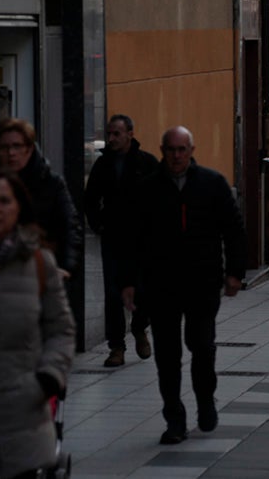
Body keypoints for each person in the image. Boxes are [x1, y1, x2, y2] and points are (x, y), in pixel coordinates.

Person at [121, 126, 246, 445]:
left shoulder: (211, 183)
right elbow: (132, 239)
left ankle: (206, 401)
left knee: (202, 347)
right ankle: (174, 419)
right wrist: (129, 282)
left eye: (182, 150)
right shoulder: (148, 189)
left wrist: (234, 273)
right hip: (160, 284)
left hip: (202, 282)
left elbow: (233, 230)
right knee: (167, 355)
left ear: (191, 150)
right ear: (163, 151)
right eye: (170, 150)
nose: (176, 156)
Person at [0, 168, 75, 478]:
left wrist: (47, 379)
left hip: (25, 422)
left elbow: (61, 329)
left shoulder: (40, 263)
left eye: (4, 200)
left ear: (19, 208)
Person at [84, 114, 159, 368]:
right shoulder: (103, 165)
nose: (112, 138)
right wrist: (98, 223)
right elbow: (90, 198)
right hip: (113, 238)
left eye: (117, 133)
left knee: (142, 289)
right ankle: (116, 346)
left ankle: (139, 328)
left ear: (130, 133)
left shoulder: (145, 162)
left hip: (142, 239)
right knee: (113, 293)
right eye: (109, 133)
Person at [0, 118, 82, 278]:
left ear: (29, 149)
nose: (11, 153)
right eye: (4, 147)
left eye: (17, 146)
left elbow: (70, 227)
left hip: (40, 270)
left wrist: (66, 268)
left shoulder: (51, 183)